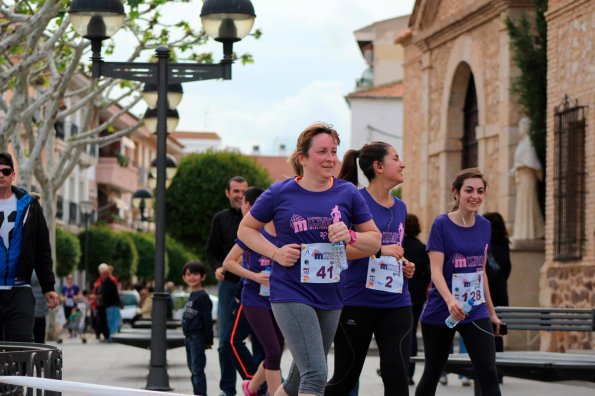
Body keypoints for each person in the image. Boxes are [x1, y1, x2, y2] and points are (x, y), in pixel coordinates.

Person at [238, 122, 381, 396]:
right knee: (316, 374)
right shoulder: (280, 192)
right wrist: (275, 252)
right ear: (302, 157)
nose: (330, 158)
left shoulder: (347, 193)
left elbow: (374, 241)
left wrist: (350, 234)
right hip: (291, 290)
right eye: (322, 152)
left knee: (296, 380)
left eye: (333, 151)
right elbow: (245, 229)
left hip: (331, 293)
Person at [325, 142, 416, 396]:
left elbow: (393, 247)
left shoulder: (400, 207)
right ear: (378, 167)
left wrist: (403, 263)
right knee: (345, 377)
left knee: (397, 373)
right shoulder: (354, 200)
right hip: (357, 301)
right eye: (396, 159)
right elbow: (338, 252)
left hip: (397, 302)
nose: (402, 164)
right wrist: (378, 249)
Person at [415, 168, 503, 396]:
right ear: (456, 193)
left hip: (475, 309)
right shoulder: (441, 224)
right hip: (442, 310)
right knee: (433, 371)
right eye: (469, 190)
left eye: (480, 191)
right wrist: (450, 300)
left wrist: (492, 313)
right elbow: (435, 270)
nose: (475, 196)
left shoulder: (485, 225)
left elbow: (481, 271)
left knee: (488, 372)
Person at [223, 186, 284, 396]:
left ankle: (251, 387)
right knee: (273, 352)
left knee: (275, 352)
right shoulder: (253, 233)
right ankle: (273, 392)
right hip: (254, 298)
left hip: (279, 299)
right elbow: (228, 263)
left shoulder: (286, 234)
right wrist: (255, 276)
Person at [0, 152, 58, 342]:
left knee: (20, 347)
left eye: (5, 171)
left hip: (20, 289)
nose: (1, 175)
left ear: (13, 175)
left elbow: (43, 249)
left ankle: (17, 374)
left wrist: (48, 286)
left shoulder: (30, 206)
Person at [206, 175, 248, 396]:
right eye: (236, 191)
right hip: (229, 285)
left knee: (260, 341)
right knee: (224, 341)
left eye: (243, 191)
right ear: (227, 193)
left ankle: (259, 386)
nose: (240, 195)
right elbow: (211, 252)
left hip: (254, 285)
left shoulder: (258, 219)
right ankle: (227, 389)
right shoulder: (220, 219)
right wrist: (217, 268)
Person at [403, 214, 431, 386]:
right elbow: (427, 272)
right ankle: (410, 372)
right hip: (418, 296)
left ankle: (400, 369)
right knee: (412, 332)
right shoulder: (422, 247)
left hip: (400, 293)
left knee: (399, 334)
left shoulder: (399, 245)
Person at [181, 259, 214, 396]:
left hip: (197, 338)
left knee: (197, 370)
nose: (192, 277)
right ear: (184, 277)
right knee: (192, 369)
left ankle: (200, 394)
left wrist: (208, 340)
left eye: (195, 274)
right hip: (189, 338)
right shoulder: (191, 295)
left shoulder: (203, 297)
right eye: (188, 274)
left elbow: (207, 320)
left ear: (203, 276)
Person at [510, 116, 544, 240]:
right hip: (522, 178)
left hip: (528, 178)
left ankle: (529, 233)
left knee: (528, 203)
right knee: (523, 205)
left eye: (521, 126)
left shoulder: (529, 143)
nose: (519, 129)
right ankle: (522, 233)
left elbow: (533, 163)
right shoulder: (523, 143)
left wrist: (519, 165)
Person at [483, 212, 511, 357]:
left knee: (485, 332)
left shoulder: (484, 243)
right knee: (498, 331)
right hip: (500, 291)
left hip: (485, 291)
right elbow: (507, 268)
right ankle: (499, 369)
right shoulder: (504, 243)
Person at [96, 263, 121, 341]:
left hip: (112, 305)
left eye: (102, 274)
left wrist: (99, 296)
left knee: (113, 322)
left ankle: (112, 338)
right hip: (109, 305)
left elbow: (108, 294)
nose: (101, 276)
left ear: (105, 274)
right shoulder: (105, 282)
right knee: (111, 322)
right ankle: (111, 337)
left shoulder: (109, 282)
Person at [31, 271, 49, 343]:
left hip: (29, 312)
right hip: (41, 311)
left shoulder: (27, 270)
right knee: (40, 340)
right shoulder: (43, 272)